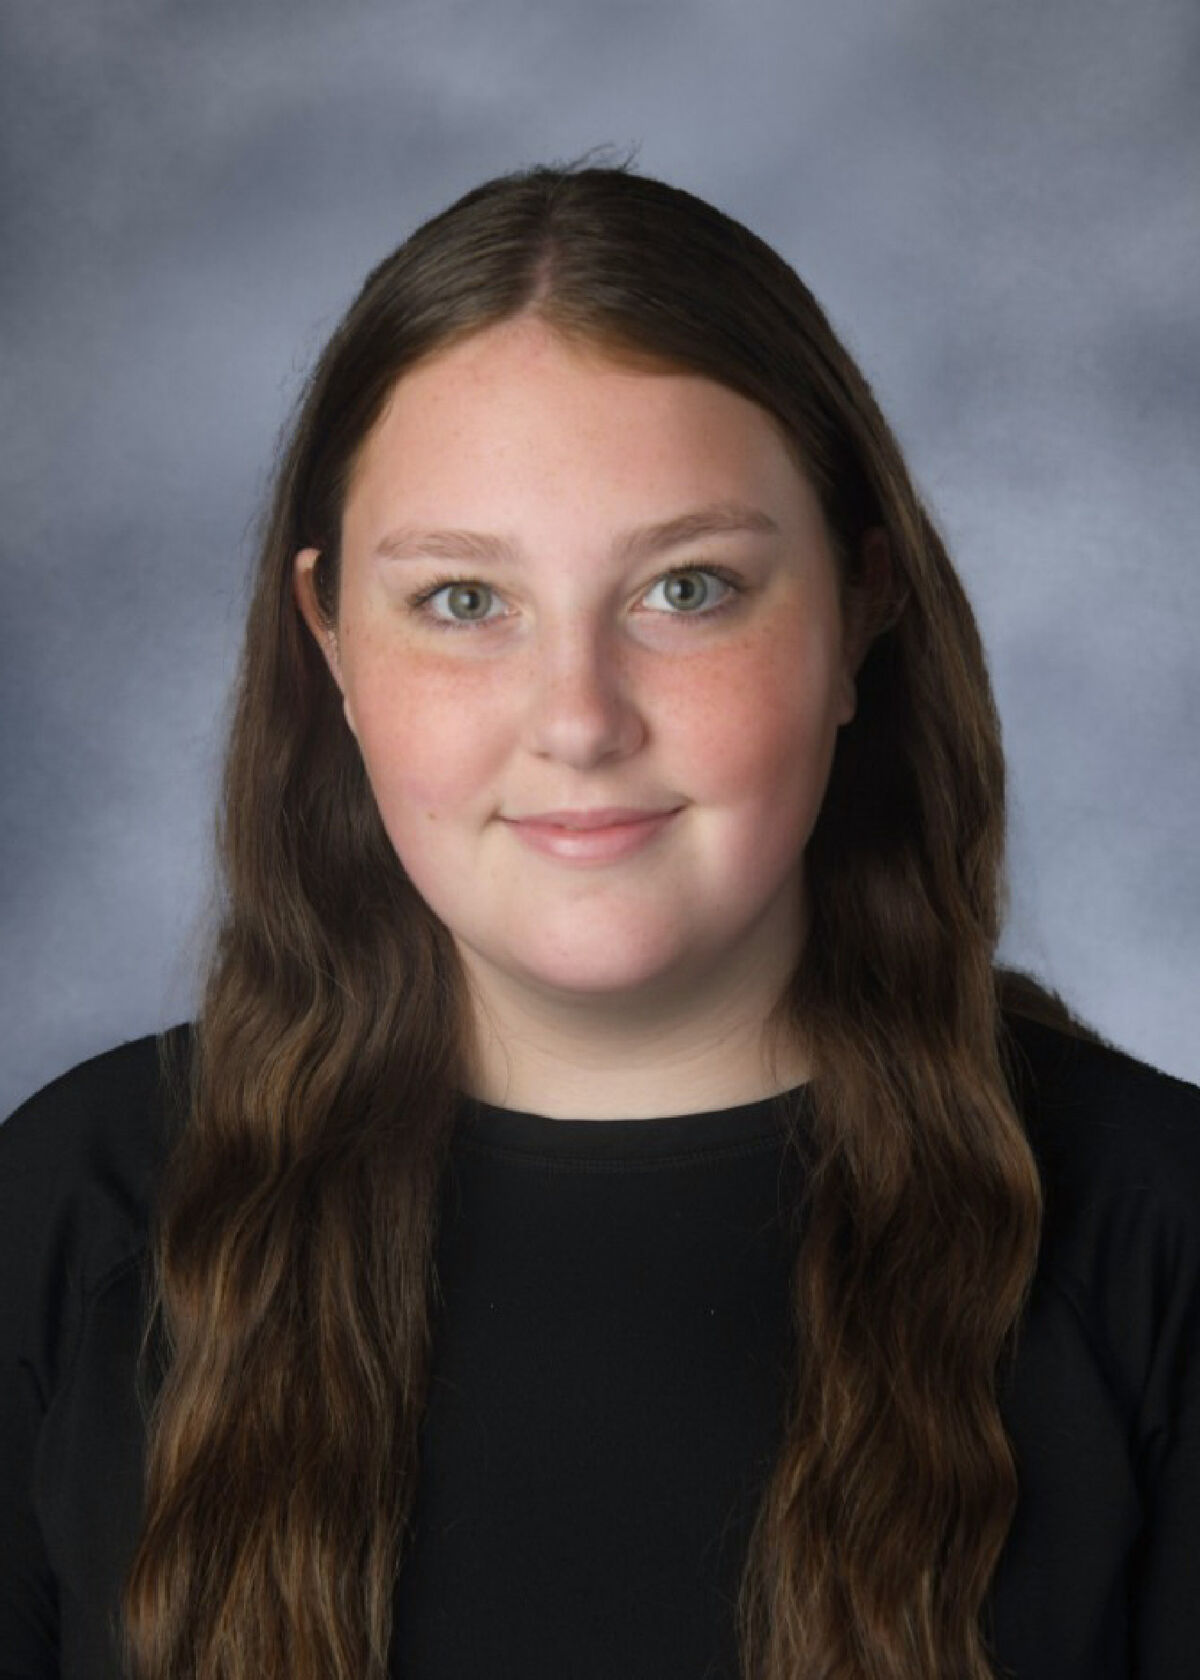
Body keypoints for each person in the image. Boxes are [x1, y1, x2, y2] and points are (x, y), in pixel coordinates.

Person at [1, 162, 1197, 1680]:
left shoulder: (1157, 1241)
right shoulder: (77, 1220)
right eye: (463, 601)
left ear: (860, 610)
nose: (578, 720)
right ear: (332, 646)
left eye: (686, 589)